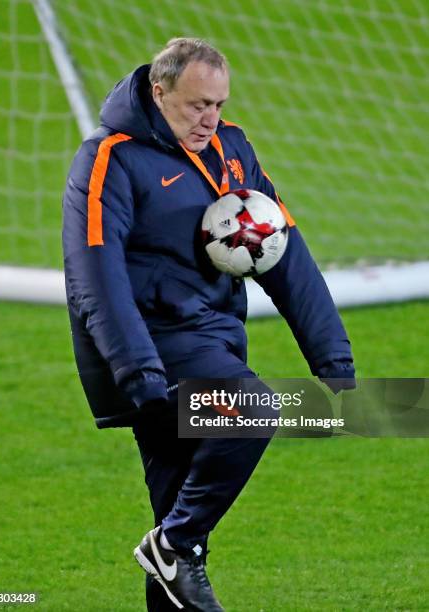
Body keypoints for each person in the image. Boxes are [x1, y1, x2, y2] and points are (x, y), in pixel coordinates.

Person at [62, 38, 355, 611]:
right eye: (197, 105)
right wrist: (136, 367)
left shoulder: (233, 150)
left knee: (177, 517)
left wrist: (331, 355)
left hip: (212, 338)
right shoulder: (109, 159)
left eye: (218, 104)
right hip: (150, 348)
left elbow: (284, 252)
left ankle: (173, 552)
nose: (210, 119)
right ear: (159, 90)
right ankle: (173, 544)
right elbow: (94, 271)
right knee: (255, 411)